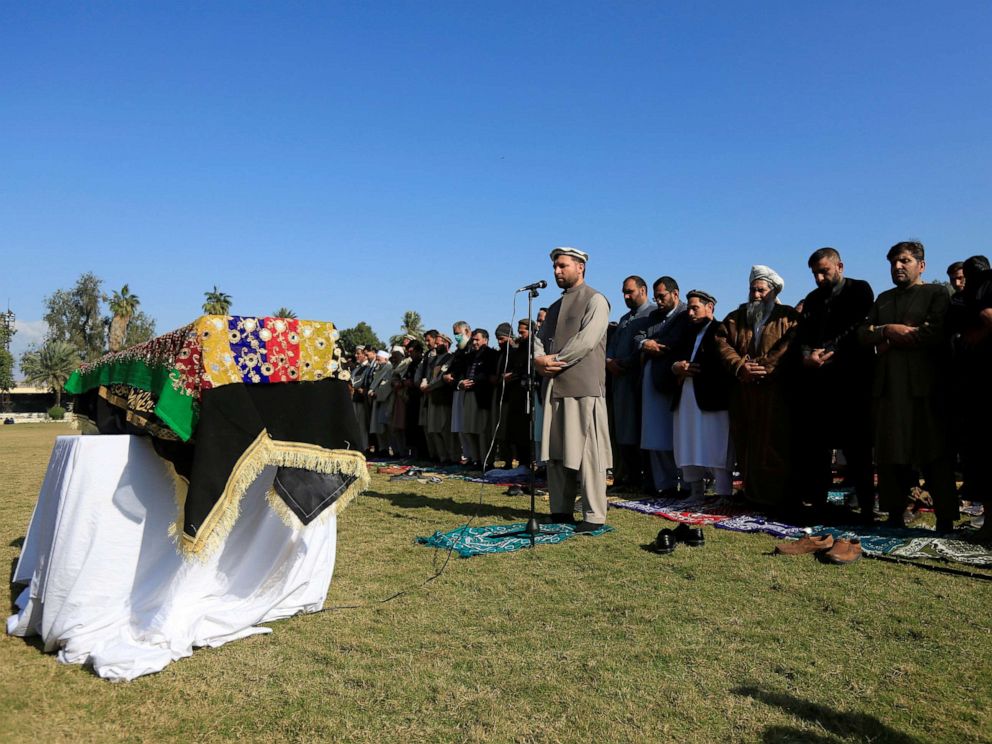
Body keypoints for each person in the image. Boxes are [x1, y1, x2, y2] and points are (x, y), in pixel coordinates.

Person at [858, 241, 958, 531]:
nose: (897, 267)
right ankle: (893, 514)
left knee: (934, 454)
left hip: (923, 389)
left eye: (904, 261)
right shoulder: (884, 298)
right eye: (893, 262)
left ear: (921, 265)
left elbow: (933, 332)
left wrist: (889, 341)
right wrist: (887, 330)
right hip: (888, 391)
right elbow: (863, 334)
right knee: (891, 455)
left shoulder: (936, 293)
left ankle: (946, 517)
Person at [795, 247, 876, 524]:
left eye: (824, 272)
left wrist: (829, 351)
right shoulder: (813, 299)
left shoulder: (859, 290)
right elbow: (803, 334)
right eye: (815, 273)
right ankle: (819, 506)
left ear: (839, 266)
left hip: (851, 381)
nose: (819, 278)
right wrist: (808, 356)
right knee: (817, 448)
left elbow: (857, 327)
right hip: (820, 384)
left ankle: (866, 508)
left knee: (858, 449)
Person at [534, 246, 612, 532]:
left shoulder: (596, 300)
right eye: (555, 266)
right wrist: (537, 359)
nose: (557, 271)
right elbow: (539, 338)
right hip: (554, 387)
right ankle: (560, 510)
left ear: (580, 267)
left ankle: (593, 515)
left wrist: (553, 360)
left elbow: (587, 340)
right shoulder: (554, 307)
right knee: (556, 454)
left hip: (583, 387)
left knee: (590, 455)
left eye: (563, 266)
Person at [714, 265, 800, 511]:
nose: (756, 295)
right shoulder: (736, 317)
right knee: (747, 443)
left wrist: (763, 366)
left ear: (773, 291)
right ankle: (751, 494)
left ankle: (777, 497)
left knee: (775, 443)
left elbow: (789, 345)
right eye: (752, 290)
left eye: (761, 290)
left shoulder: (788, 316)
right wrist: (741, 367)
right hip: (744, 392)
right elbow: (722, 343)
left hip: (776, 393)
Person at [667, 290, 734, 498]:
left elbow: (726, 362)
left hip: (711, 397)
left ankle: (723, 493)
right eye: (688, 308)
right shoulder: (687, 333)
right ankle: (695, 490)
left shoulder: (721, 330)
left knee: (716, 444)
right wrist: (676, 367)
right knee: (688, 441)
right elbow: (673, 359)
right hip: (686, 395)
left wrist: (700, 369)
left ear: (710, 307)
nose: (690, 313)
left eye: (695, 308)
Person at [951, 256, 992, 541]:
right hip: (974, 385)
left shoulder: (981, 289)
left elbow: (988, 318)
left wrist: (973, 336)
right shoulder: (965, 295)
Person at [634, 276, 687, 495]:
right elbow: (639, 335)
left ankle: (686, 485)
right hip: (653, 380)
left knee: (680, 436)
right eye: (655, 297)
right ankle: (663, 484)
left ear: (675, 294)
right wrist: (645, 343)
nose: (658, 301)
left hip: (676, 380)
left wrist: (660, 345)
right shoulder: (654, 316)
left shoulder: (686, 314)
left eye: (662, 296)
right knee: (656, 434)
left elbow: (678, 341)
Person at [606, 275, 654, 492]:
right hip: (620, 383)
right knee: (623, 432)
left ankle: (644, 479)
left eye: (630, 292)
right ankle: (628, 476)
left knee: (642, 432)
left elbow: (643, 347)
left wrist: (625, 363)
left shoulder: (652, 314)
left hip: (639, 381)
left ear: (643, 290)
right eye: (624, 292)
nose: (626, 296)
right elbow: (612, 346)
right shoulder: (625, 319)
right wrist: (609, 361)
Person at [459, 328, 499, 469]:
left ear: (485, 340)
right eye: (473, 339)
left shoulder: (492, 355)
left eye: (477, 339)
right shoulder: (469, 356)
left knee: (483, 431)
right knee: (469, 429)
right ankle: (475, 459)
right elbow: (461, 374)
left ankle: (486, 461)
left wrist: (475, 380)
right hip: (468, 395)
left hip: (483, 396)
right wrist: (461, 383)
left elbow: (491, 375)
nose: (474, 342)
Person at [368, 349, 394, 456]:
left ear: (386, 359)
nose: (377, 362)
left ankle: (389, 449)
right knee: (378, 426)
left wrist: (377, 394)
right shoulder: (379, 370)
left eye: (379, 360)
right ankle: (382, 448)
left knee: (387, 427)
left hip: (385, 400)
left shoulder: (388, 369)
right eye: (377, 360)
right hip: (378, 401)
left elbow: (386, 385)